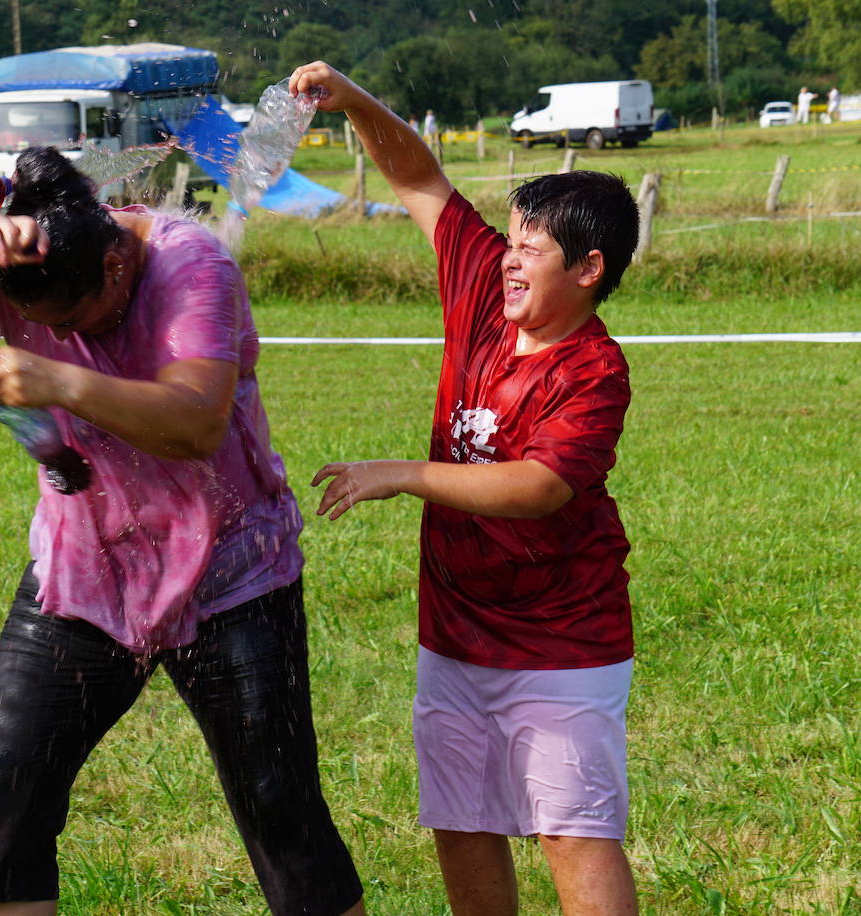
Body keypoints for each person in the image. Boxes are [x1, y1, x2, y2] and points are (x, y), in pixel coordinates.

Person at [0, 146, 366, 916]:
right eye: (48, 328)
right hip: (85, 567)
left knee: (283, 815)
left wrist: (58, 380)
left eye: (79, 320)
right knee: (0, 804)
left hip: (231, 571)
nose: (68, 334)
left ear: (116, 266)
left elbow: (195, 423)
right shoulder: (15, 258)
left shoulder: (192, 266)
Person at [289, 61, 639, 916]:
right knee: (463, 822)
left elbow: (540, 486)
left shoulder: (593, 372)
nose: (508, 258)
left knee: (571, 832)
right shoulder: (483, 288)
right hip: (454, 635)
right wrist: (356, 99)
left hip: (562, 643)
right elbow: (416, 176)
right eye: (510, 239)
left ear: (588, 269)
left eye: (531, 247)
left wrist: (404, 476)